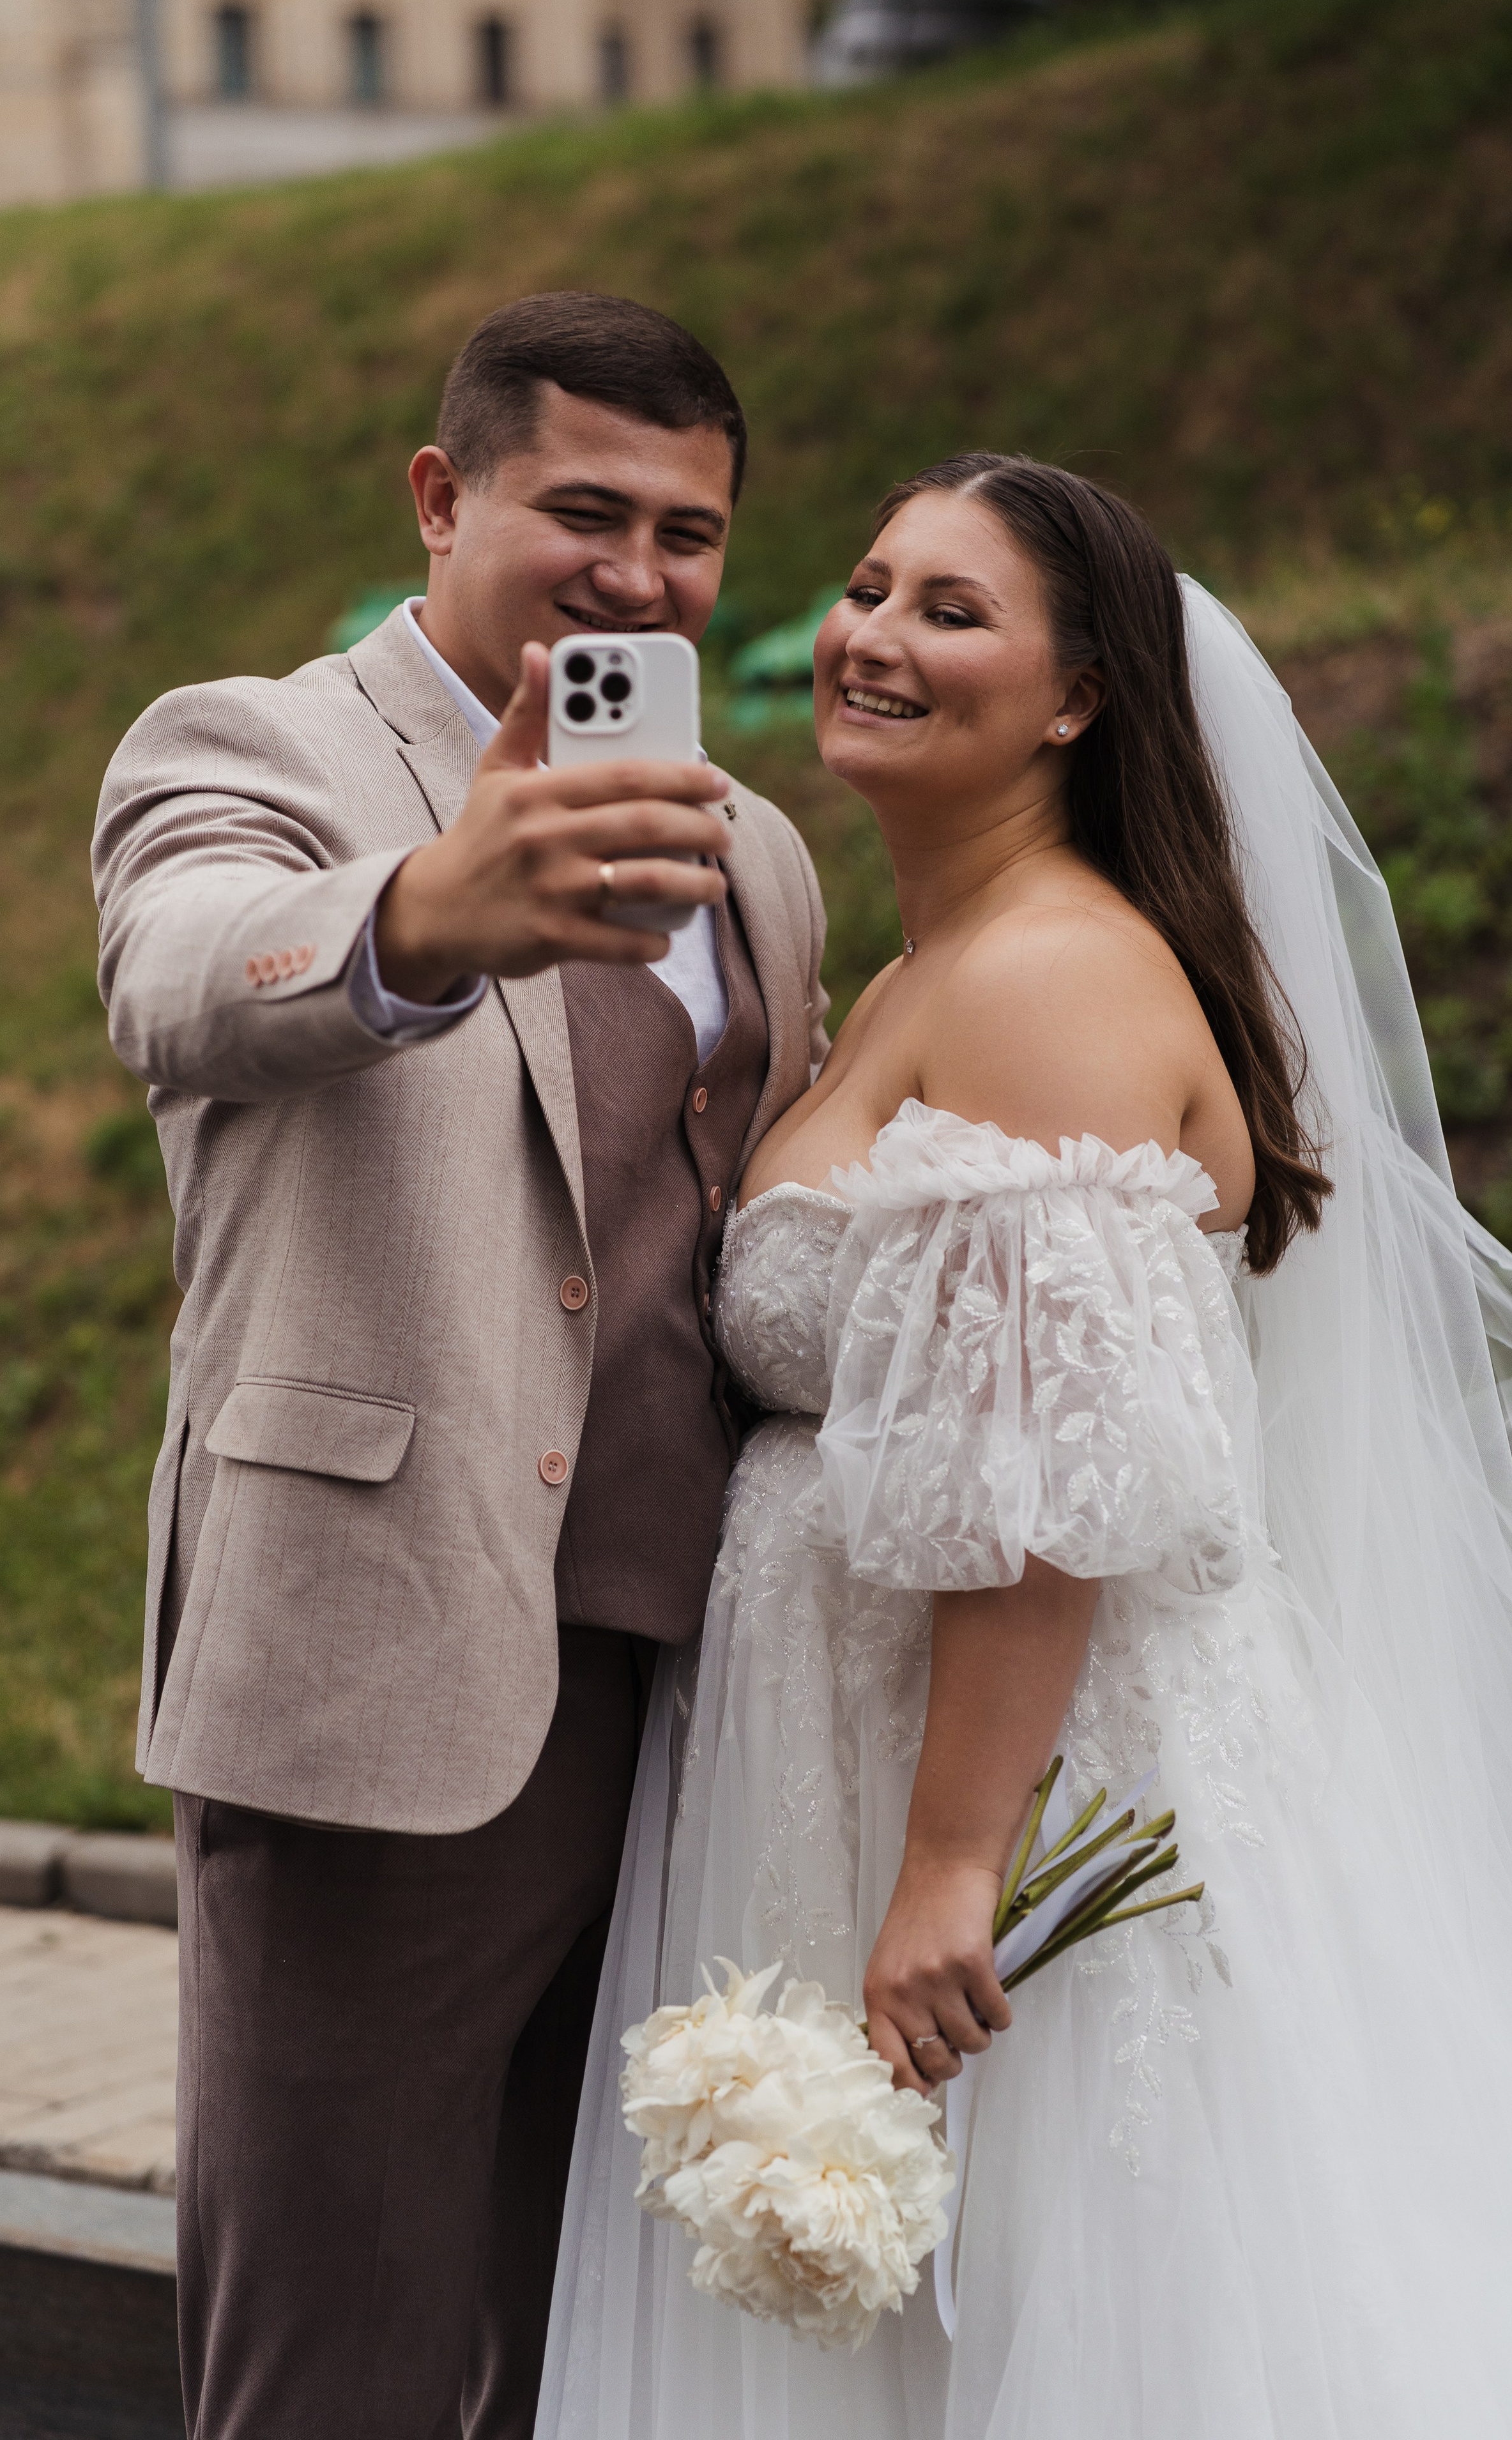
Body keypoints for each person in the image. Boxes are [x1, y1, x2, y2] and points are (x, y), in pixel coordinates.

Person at [536, 454, 1512, 2439]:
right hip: (877, 1755)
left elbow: (1056, 1481)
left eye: (952, 611)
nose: (876, 636)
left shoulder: (1050, 976)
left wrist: (954, 1867)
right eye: (872, 586)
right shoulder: (936, 961)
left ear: (1080, 698)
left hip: (1032, 1807)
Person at [91, 291, 829, 2440]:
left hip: (691, 1704)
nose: (638, 575)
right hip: (377, 1681)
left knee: (587, 2353)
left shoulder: (756, 848)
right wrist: (423, 915)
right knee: (337, 2362)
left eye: (689, 534)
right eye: (583, 511)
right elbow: (176, 979)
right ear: (442, 496)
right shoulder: (257, 747)